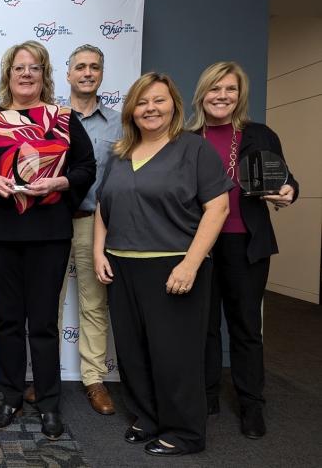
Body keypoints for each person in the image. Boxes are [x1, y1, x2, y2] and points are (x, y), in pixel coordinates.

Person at [0, 41, 96, 440]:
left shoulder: (65, 119)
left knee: (43, 324)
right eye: (18, 67)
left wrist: (62, 181)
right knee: (7, 321)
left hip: (50, 233)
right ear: (8, 74)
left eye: (34, 67)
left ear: (44, 75)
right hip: (0, 232)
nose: (25, 73)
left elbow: (87, 166)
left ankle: (49, 403)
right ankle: (11, 396)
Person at [93, 72, 232, 456]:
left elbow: (217, 207)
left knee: (175, 354)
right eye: (142, 102)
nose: (150, 109)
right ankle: (148, 417)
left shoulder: (194, 149)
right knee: (133, 352)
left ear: (174, 104)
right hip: (122, 266)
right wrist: (98, 251)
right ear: (131, 110)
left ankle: (186, 432)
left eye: (158, 100)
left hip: (173, 265)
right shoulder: (120, 152)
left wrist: (191, 264)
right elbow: (104, 205)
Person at [188, 61, 299, 439]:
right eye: (215, 89)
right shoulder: (185, 138)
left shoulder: (259, 134)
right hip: (198, 243)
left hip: (245, 241)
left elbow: (286, 178)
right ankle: (206, 397)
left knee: (246, 326)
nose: (222, 96)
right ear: (202, 94)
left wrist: (289, 191)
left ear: (240, 95)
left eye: (230, 90)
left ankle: (252, 405)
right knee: (202, 326)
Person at [26, 44, 121, 414]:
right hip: (48, 222)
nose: (86, 73)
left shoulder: (118, 122)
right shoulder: (48, 118)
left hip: (93, 224)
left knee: (94, 304)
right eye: (79, 66)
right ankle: (44, 377)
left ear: (101, 74)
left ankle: (94, 379)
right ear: (67, 74)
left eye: (94, 67)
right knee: (45, 303)